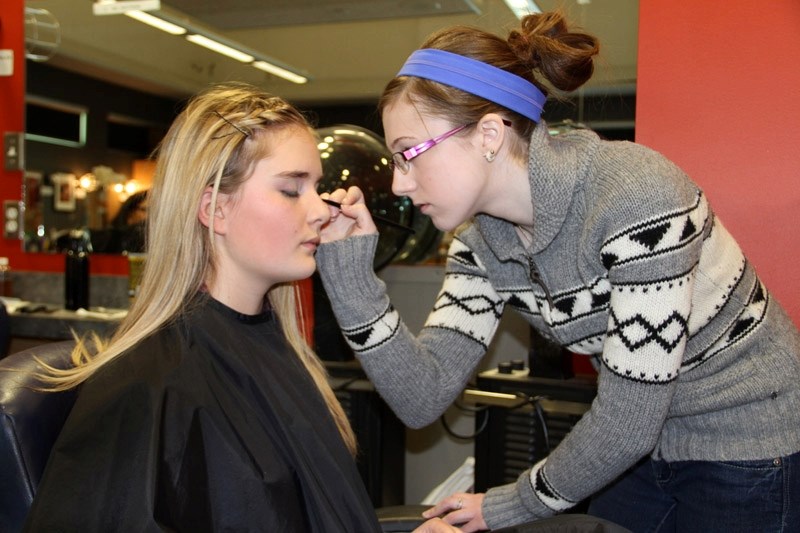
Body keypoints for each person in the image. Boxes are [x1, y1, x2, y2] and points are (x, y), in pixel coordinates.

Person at [316, 11, 800, 533]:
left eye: (408, 155)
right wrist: (350, 279)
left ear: (488, 135)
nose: (400, 185)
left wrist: (508, 505)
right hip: (643, 449)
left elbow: (628, 421)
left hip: (750, 438)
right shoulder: (480, 243)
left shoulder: (634, 195)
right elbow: (421, 396)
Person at [23, 82, 383, 531]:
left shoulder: (278, 348)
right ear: (215, 210)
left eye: (318, 187)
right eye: (292, 190)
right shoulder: (149, 389)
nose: (322, 210)